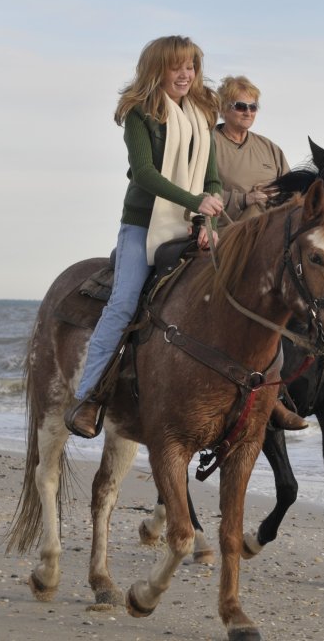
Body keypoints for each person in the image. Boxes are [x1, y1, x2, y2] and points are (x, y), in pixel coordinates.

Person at [65, 35, 224, 438]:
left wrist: (208, 219)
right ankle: (88, 398)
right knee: (123, 303)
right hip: (142, 223)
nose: (185, 74)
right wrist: (196, 201)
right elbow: (145, 175)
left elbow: (212, 177)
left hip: (191, 224)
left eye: (190, 66)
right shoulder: (141, 114)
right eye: (177, 67)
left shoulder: (203, 114)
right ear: (158, 69)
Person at [212, 76, 289, 223]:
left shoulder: (270, 148)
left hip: (275, 228)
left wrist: (277, 193)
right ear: (223, 108)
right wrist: (244, 199)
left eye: (253, 107)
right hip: (229, 231)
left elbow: (293, 190)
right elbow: (197, 189)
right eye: (241, 106)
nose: (248, 112)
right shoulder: (209, 143)